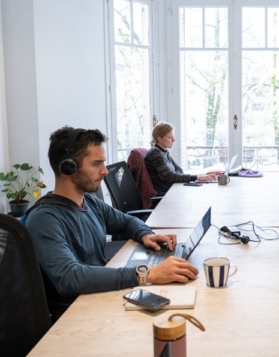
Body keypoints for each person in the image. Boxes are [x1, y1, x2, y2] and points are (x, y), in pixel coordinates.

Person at [24, 126, 199, 321]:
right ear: (68, 167)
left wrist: (145, 234)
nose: (105, 171)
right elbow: (70, 278)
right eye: (96, 164)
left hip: (101, 296)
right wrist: (146, 274)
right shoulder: (45, 219)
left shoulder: (87, 201)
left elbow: (125, 221)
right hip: (77, 315)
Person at [145, 121, 216, 195]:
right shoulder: (155, 153)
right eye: (170, 137)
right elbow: (170, 177)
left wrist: (177, 176)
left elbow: (179, 170)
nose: (174, 140)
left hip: (172, 189)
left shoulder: (163, 152)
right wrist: (196, 177)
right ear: (159, 139)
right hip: (166, 195)